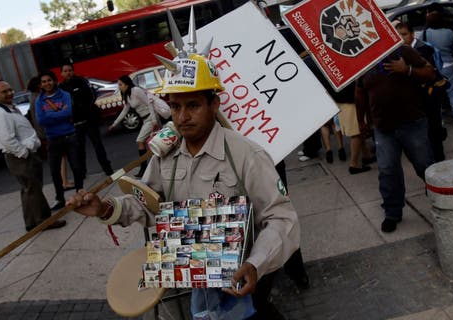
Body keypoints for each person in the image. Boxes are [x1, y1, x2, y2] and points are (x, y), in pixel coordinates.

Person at [68, 44, 299, 318]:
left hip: (246, 278)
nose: (182, 117)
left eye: (193, 105)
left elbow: (282, 218)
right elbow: (148, 203)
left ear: (214, 104)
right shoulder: (166, 154)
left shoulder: (246, 154)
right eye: (175, 106)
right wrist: (104, 208)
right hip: (198, 272)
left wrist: (255, 264)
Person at [355, 45, 435, 233]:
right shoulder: (360, 59)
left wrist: (406, 69)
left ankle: (441, 199)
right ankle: (392, 212)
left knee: (425, 166)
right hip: (383, 127)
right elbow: (359, 93)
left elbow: (430, 73)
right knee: (387, 170)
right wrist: (361, 121)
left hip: (412, 123)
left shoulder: (402, 51)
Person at [0, 81, 66, 231]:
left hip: (24, 154)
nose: (9, 93)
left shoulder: (8, 108)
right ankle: (44, 220)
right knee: (33, 188)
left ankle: (31, 222)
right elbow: (7, 139)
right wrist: (24, 153)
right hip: (20, 157)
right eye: (4, 92)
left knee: (29, 189)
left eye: (10, 90)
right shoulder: (0, 114)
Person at [397, 22, 448, 162]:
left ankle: (438, 160)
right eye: (399, 35)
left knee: (434, 129)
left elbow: (432, 72)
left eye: (404, 34)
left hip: (430, 94)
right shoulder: (400, 51)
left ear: (412, 34)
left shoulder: (424, 49)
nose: (401, 38)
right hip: (416, 99)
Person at [35, 71, 84, 210]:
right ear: (40, 85)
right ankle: (60, 198)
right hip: (53, 139)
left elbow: (68, 113)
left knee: (76, 167)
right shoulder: (39, 100)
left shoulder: (65, 95)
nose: (47, 83)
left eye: (49, 80)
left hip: (70, 136)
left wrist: (51, 115)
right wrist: (59, 113)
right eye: (43, 81)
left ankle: (80, 194)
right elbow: (41, 120)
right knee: (54, 171)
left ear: (55, 81)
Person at [59, 63, 114, 176]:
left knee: (98, 145)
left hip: (89, 120)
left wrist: (84, 108)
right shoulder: (61, 88)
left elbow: (91, 96)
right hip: (75, 123)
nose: (68, 72)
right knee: (79, 149)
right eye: (65, 71)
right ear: (61, 73)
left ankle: (107, 169)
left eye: (70, 70)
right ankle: (82, 172)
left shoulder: (81, 81)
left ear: (73, 71)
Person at [108, 75, 158, 178]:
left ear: (126, 84)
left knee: (140, 141)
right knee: (154, 143)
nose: (119, 87)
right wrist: (114, 124)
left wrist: (154, 121)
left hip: (150, 118)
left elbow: (149, 103)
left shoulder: (136, 90)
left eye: (120, 84)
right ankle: (149, 167)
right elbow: (125, 110)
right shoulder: (127, 94)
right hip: (145, 120)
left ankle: (144, 169)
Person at [422, 3, 453, 126]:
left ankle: (439, 120)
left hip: (434, 68)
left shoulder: (425, 34)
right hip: (449, 65)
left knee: (436, 94)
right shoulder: (450, 32)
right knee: (452, 92)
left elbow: (423, 50)